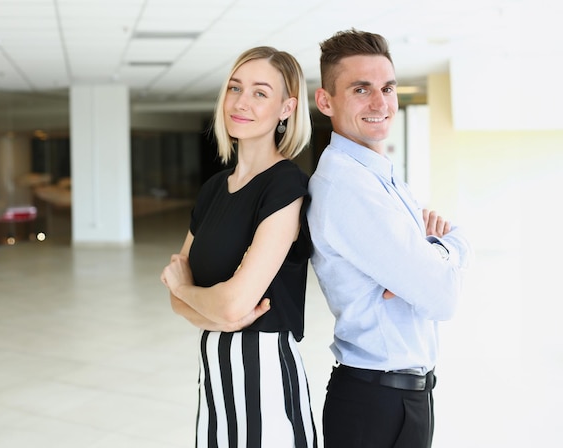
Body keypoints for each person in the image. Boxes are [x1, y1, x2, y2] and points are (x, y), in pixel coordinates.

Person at [307, 29, 473, 448]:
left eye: (387, 88)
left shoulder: (377, 173)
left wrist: (433, 252)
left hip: (399, 397)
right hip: (376, 404)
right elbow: (442, 298)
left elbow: (452, 239)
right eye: (361, 89)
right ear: (325, 101)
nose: (380, 103)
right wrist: (439, 253)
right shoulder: (348, 187)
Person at [160, 46, 317, 448]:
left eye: (260, 93)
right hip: (213, 369)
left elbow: (213, 301)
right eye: (235, 88)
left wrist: (185, 292)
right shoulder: (214, 189)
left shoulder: (286, 185)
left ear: (287, 108)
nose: (241, 102)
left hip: (262, 375)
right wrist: (196, 302)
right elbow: (185, 302)